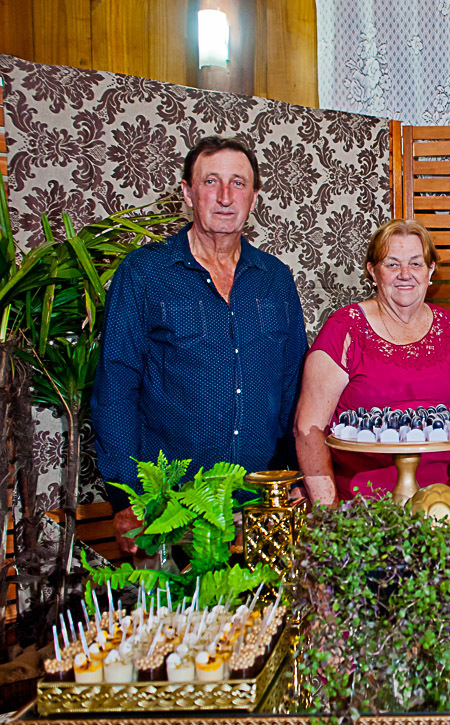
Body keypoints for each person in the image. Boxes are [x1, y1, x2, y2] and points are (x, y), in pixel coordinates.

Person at [91, 136, 307, 554]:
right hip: (170, 511)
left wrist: (296, 477)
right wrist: (126, 497)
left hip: (262, 504)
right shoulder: (144, 273)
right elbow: (115, 388)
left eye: (238, 183)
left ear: (254, 197)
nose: (225, 196)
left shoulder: (275, 278)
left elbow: (293, 385)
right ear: (188, 193)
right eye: (211, 181)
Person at [293, 219, 450, 504]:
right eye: (392, 264)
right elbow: (307, 430)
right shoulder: (344, 329)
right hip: (362, 510)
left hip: (443, 505)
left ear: (430, 270)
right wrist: (329, 513)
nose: (405, 274)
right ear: (373, 271)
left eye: (415, 263)